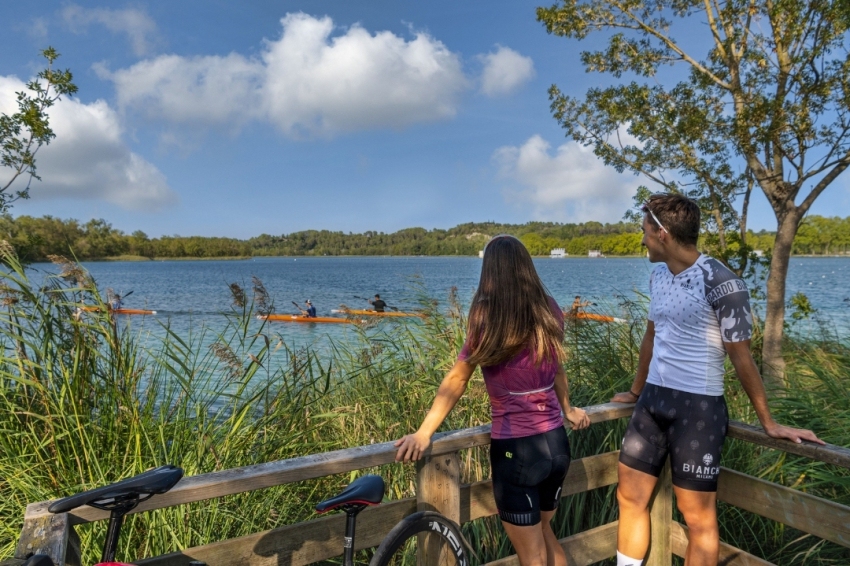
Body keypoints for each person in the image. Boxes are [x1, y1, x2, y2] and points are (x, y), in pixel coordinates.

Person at [611, 194, 823, 566]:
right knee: (629, 498)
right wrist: (635, 390)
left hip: (697, 410)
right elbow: (651, 336)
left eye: (645, 231)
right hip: (651, 403)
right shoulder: (658, 275)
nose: (642, 239)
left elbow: (742, 357)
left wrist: (769, 422)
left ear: (662, 234)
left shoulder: (723, 283)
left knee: (698, 520)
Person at [395, 235, 590, 566]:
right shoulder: (549, 308)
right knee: (545, 533)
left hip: (516, 450)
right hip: (556, 444)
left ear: (490, 271)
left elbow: (458, 379)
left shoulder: (488, 315)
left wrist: (424, 433)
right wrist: (568, 409)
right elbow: (557, 369)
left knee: (532, 556)